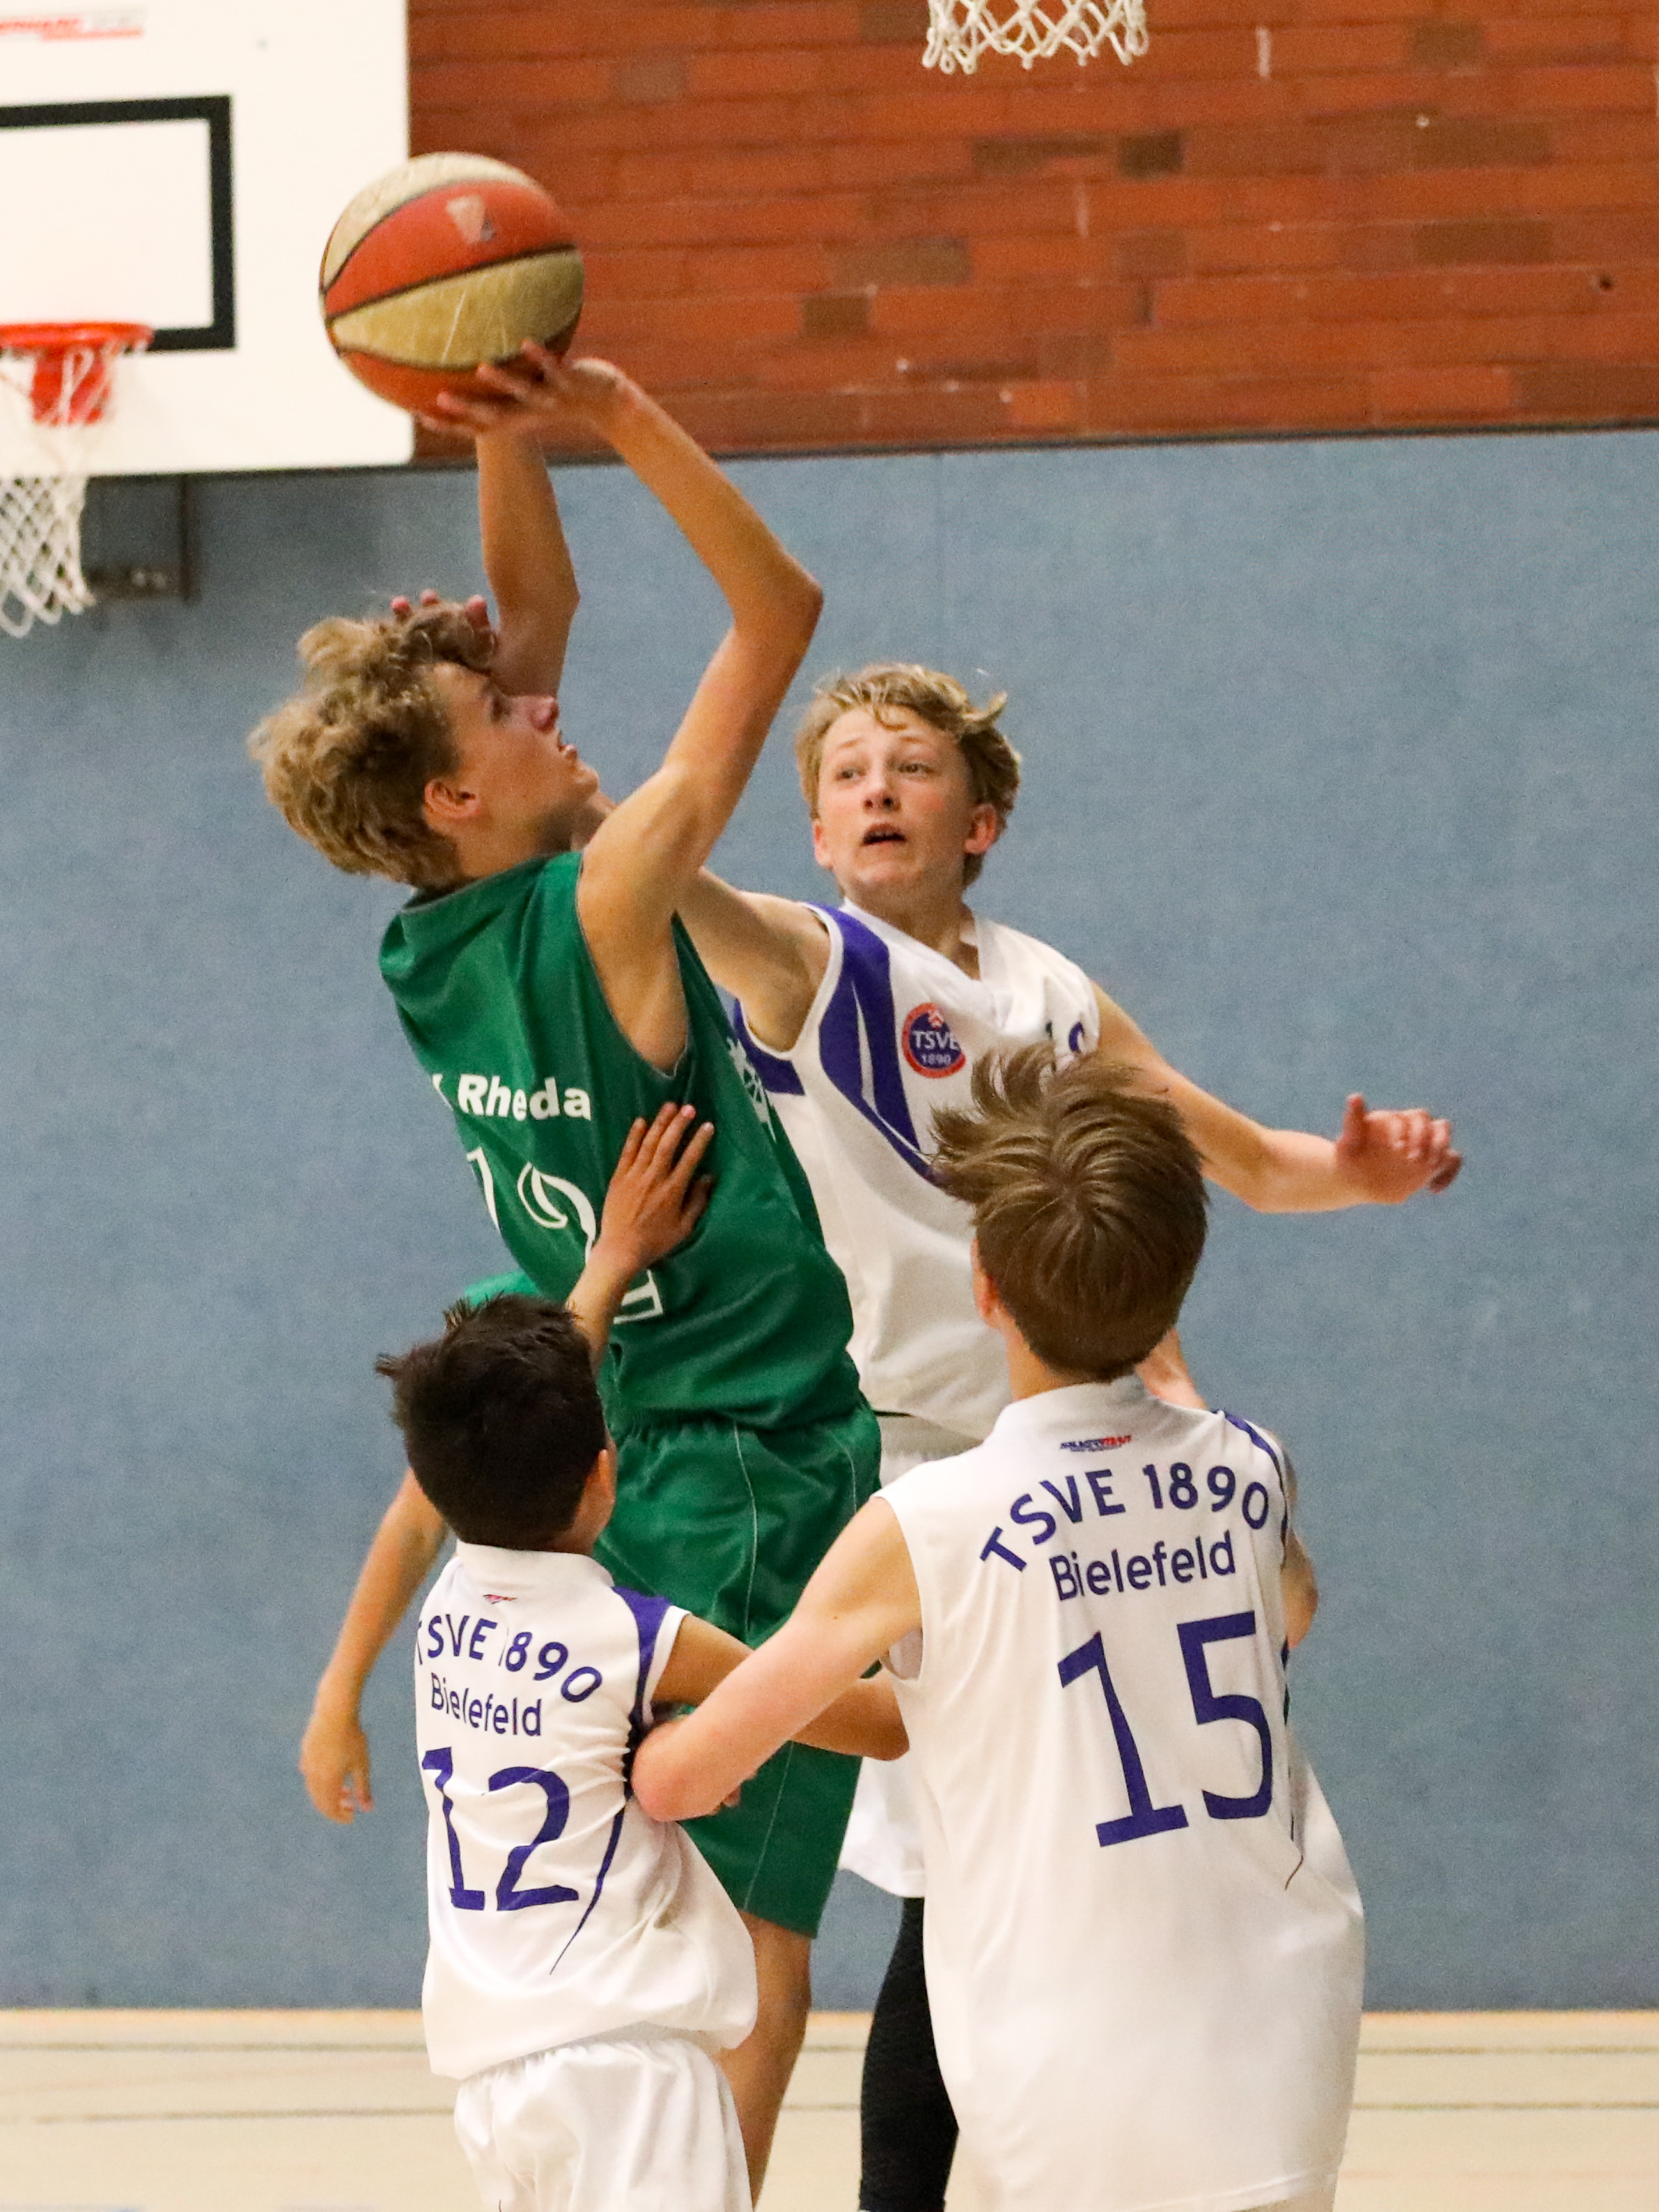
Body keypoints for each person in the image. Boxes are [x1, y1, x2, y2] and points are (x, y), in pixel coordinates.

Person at [667, 660, 1454, 2211]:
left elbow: (1247, 1160)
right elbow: (665, 884)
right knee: (948, 1882)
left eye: (911, 765)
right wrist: (588, 817)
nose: (876, 787)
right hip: (917, 1477)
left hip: (1098, 1445)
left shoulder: (1050, 996)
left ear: (984, 820)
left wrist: (1356, 1174)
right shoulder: (807, 963)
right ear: (817, 835)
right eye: (846, 773)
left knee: (1044, 1869)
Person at [250, 352, 879, 2194]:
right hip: (757, 1450)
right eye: (504, 714)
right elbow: (780, 613)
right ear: (458, 792)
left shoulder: (426, 950)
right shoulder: (605, 896)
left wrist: (493, 422)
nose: (542, 704)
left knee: (672, 1909)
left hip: (616, 1430)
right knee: (753, 1945)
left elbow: (527, 631)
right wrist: (602, 403)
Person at [633, 1045, 1366, 2212]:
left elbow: (686, 1777)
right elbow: (1292, 1612)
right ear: (1175, 1290)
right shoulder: (1249, 1463)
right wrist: (1185, 1412)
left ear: (984, 1285)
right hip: (1283, 2026)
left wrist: (659, 1730)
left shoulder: (927, 1521)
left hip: (1064, 2045)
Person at [386, 1278, 903, 2212]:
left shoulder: (446, 1608)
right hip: (627, 2077)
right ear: (605, 1473)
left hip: (493, 2079)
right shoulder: (636, 1638)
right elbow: (876, 1725)